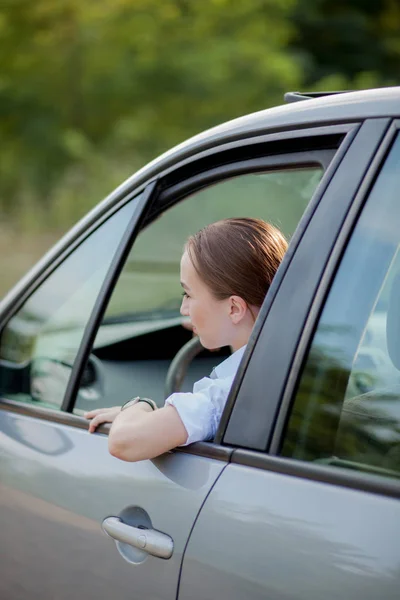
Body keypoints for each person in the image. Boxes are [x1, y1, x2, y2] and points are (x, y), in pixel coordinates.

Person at [84, 217, 288, 461]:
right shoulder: (288, 364)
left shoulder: (231, 393)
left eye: (188, 294)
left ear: (234, 308)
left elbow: (124, 442)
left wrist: (141, 406)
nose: (183, 309)